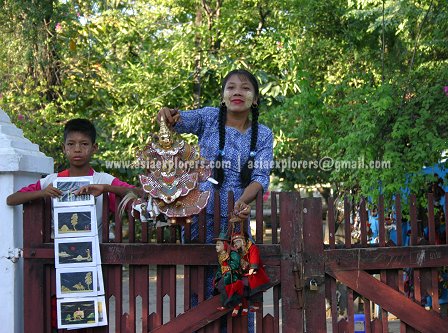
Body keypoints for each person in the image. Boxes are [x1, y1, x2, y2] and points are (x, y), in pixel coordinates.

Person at [157, 69, 274, 242]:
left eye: (245, 89)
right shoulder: (208, 117)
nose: (237, 92)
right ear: (223, 97)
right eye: (231, 87)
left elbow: (260, 177)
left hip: (236, 216)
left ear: (255, 100)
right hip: (199, 214)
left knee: (232, 266)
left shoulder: (264, 135)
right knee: (198, 266)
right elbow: (175, 120)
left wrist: (241, 203)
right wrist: (165, 114)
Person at [6, 118, 140, 239]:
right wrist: (42, 193)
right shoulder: (52, 181)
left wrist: (106, 188)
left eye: (84, 144)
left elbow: (142, 193)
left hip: (95, 254)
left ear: (94, 148)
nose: (77, 149)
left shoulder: (103, 180)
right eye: (71, 144)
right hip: (56, 254)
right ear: (64, 148)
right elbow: (11, 199)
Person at [232, 231, 271, 312]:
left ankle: (256, 304)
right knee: (242, 287)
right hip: (244, 272)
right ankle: (243, 304)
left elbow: (254, 257)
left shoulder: (252, 247)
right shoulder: (238, 251)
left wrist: (253, 268)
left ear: (243, 241)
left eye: (238, 241)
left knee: (256, 288)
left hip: (254, 272)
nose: (236, 244)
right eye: (234, 242)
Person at [213, 232, 245, 317]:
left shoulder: (233, 254)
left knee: (225, 286)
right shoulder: (221, 255)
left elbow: (235, 264)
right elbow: (220, 267)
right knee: (219, 285)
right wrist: (219, 274)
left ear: (224, 245)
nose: (216, 247)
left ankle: (236, 305)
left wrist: (228, 268)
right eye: (216, 245)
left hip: (232, 275)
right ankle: (225, 304)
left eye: (219, 245)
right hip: (225, 275)